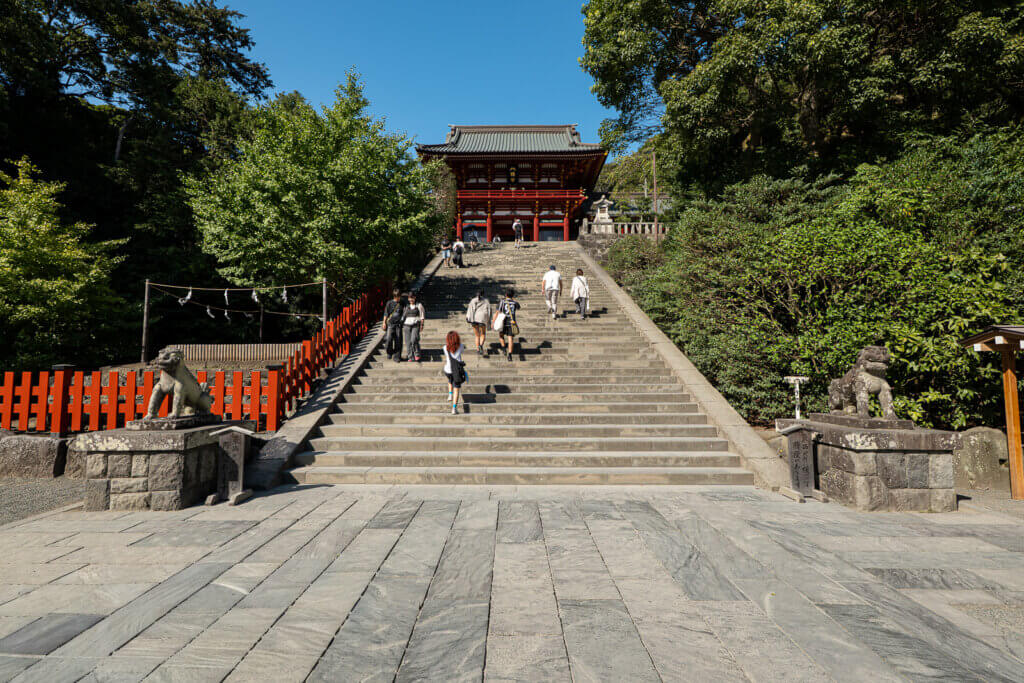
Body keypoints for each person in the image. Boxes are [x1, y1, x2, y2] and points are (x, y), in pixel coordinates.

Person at [493, 288, 521, 361]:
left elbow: (497, 312)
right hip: (512, 322)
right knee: (510, 338)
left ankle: (503, 348)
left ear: (506, 294)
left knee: (501, 335)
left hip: (503, 321)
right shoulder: (514, 303)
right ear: (513, 295)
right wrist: (513, 299)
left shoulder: (502, 301)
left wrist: (493, 321)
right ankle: (510, 354)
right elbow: (519, 307)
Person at [443, 330, 466, 414]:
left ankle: (450, 394)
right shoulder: (461, 346)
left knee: (450, 379)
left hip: (448, 369)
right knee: (456, 389)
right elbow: (461, 352)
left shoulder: (445, 348)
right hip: (457, 371)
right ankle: (454, 408)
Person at [465, 289, 492, 356]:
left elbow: (469, 309)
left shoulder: (473, 300)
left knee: (477, 335)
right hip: (482, 319)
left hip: (474, 319)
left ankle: (478, 349)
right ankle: (480, 346)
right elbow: (489, 311)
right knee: (482, 334)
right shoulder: (486, 301)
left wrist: (468, 317)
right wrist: (489, 320)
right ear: (483, 294)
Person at [401, 292, 425, 362]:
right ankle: (410, 356)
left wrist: (422, 324)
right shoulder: (406, 306)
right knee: (408, 342)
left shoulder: (419, 305)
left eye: (412, 297)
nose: (411, 299)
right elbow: (403, 316)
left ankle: (417, 354)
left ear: (415, 297)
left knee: (414, 339)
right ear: (408, 299)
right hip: (406, 325)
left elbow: (422, 316)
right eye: (409, 298)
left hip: (415, 325)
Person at [381, 287, 404, 362]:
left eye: (399, 297)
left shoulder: (402, 302)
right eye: (397, 297)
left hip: (398, 324)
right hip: (390, 324)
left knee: (398, 340)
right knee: (388, 339)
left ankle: (397, 357)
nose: (398, 298)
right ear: (395, 296)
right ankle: (389, 352)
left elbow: (405, 311)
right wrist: (384, 322)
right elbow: (386, 313)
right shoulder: (389, 303)